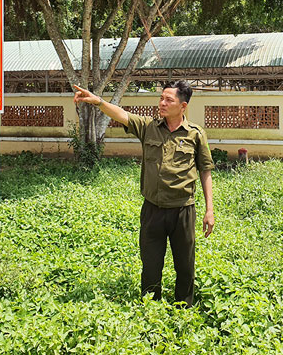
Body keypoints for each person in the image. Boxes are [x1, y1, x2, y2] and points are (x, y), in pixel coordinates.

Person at [73, 81, 215, 306]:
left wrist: (209, 210)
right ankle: (151, 307)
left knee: (185, 266)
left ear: (183, 106)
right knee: (150, 264)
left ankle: (185, 307)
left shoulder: (196, 135)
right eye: (161, 98)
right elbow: (122, 115)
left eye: (169, 100)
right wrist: (98, 101)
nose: (162, 103)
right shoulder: (149, 127)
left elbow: (205, 170)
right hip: (153, 210)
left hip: (183, 210)